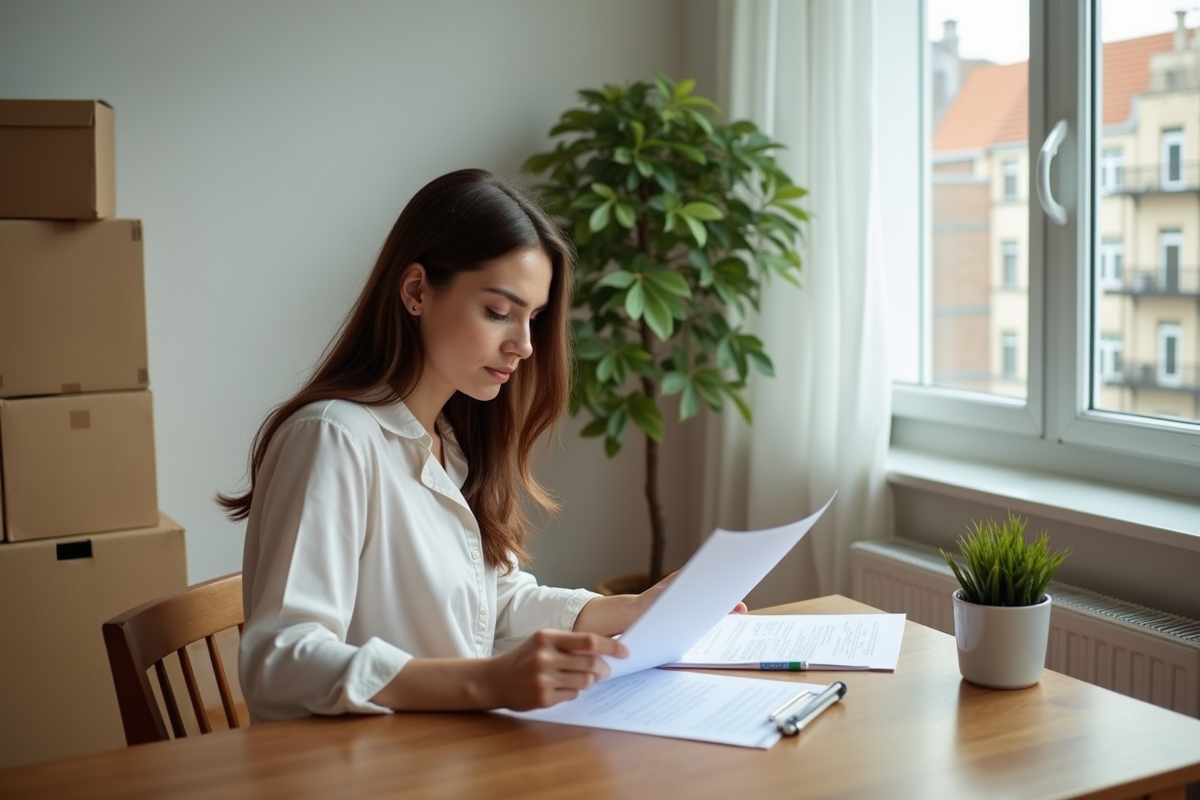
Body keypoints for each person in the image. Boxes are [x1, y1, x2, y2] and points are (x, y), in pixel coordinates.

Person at [218, 168, 686, 723]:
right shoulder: (333, 437)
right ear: (416, 290)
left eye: (532, 318)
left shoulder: (451, 443)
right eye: (498, 312)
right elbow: (282, 661)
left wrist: (626, 610)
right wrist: (486, 681)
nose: (524, 346)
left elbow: (493, 603)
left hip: (447, 755)